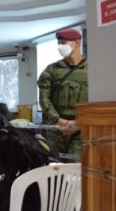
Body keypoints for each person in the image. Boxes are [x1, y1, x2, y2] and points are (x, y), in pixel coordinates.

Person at [37, 28, 88, 158]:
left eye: (64, 43)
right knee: (55, 165)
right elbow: (44, 99)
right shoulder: (52, 70)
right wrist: (60, 121)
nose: (60, 47)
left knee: (77, 167)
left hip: (82, 127)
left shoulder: (92, 69)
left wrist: (79, 122)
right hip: (56, 128)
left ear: (76, 43)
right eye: (59, 44)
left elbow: (99, 100)